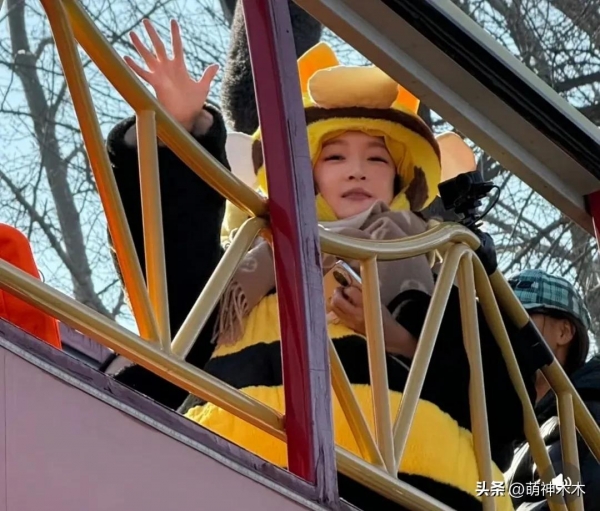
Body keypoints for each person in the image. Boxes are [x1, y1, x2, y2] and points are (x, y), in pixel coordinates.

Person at [107, 19, 536, 510]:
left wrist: (399, 339)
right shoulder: (253, 261)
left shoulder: (445, 276)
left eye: (377, 159)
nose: (357, 171)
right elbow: (175, 291)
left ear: (401, 179)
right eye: (335, 157)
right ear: (307, 174)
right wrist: (180, 131)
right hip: (239, 473)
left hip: (418, 491)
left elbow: (507, 412)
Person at [506, 269, 600, 510]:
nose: (502, 331)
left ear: (563, 332)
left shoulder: (583, 419)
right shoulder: (516, 434)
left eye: (515, 318)